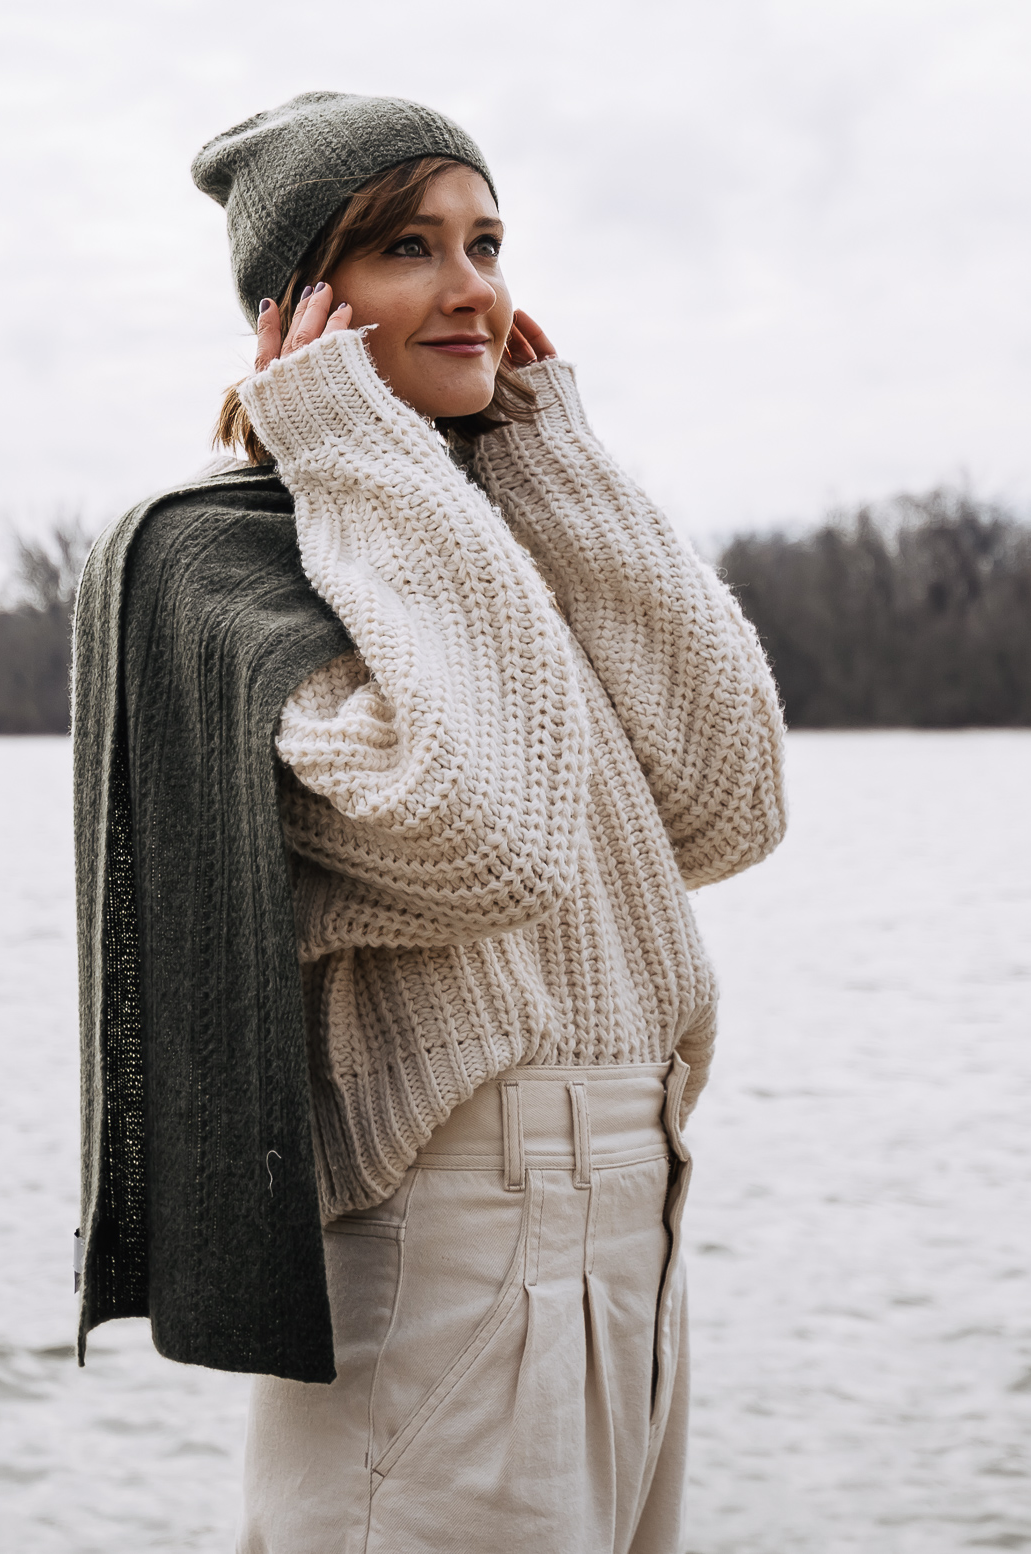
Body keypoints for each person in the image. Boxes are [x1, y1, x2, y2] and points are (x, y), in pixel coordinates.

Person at [73, 91, 787, 1554]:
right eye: (411, 246)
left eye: (488, 240)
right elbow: (486, 833)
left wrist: (550, 449)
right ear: (304, 306)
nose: (474, 286)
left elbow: (729, 800)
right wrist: (347, 446)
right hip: (456, 1261)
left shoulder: (486, 539)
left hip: (634, 1234)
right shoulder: (226, 563)